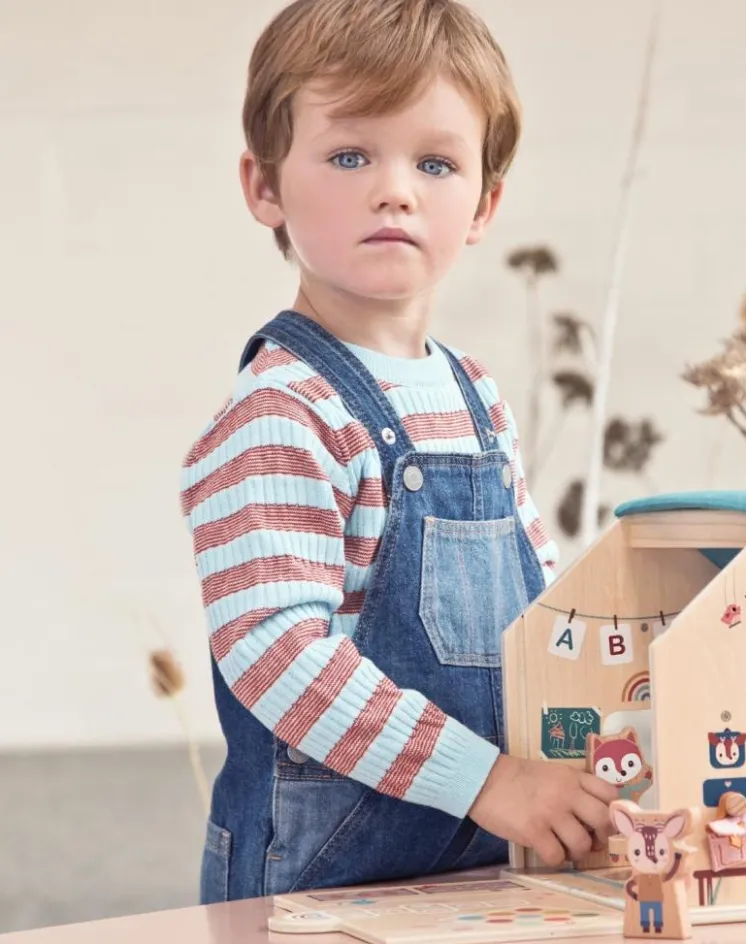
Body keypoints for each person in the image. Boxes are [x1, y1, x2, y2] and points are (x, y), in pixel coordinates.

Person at [180, 0, 619, 904]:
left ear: (484, 203)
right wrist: (490, 782)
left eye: (436, 163)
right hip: (319, 888)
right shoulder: (282, 412)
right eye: (351, 156)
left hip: (484, 868)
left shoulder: (476, 398)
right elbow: (277, 653)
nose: (396, 190)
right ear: (265, 186)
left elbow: (544, 618)